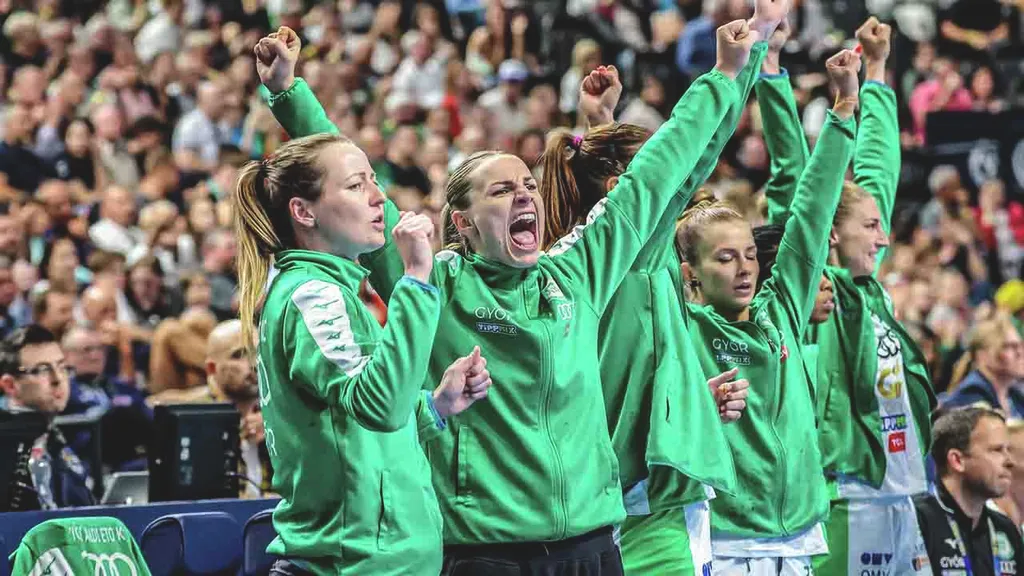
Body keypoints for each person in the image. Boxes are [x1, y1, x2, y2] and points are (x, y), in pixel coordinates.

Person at [260, 17, 758, 575]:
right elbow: (343, 183)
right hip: (482, 554)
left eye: (528, 186)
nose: (525, 196)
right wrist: (288, 91)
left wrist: (724, 75)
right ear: (463, 222)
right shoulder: (434, 282)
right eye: (502, 190)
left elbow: (655, 175)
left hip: (591, 548)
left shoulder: (575, 274)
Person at [537, 2, 787, 569]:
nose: (675, 182)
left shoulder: (571, 257)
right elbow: (691, 147)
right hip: (638, 507)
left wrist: (596, 129)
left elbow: (676, 165)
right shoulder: (636, 258)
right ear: (624, 183)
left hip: (602, 499)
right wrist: (742, 58)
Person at [233, 132, 491, 574]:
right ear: (304, 211)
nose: (378, 196)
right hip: (350, 563)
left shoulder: (331, 292)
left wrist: (435, 406)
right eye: (356, 185)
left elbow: (356, 429)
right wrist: (415, 278)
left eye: (374, 180)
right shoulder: (313, 295)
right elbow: (381, 407)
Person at [756, 17, 939, 575]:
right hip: (841, 497)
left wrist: (879, 72)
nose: (884, 237)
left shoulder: (865, 288)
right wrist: (769, 69)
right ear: (832, 234)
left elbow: (880, 171)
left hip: (901, 490)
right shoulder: (810, 291)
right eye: (870, 227)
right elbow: (793, 179)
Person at [674, 45, 862, 572]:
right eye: (725, 258)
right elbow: (652, 202)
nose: (744, 270)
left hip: (799, 540)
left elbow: (811, 210)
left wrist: (844, 110)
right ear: (690, 273)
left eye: (751, 256)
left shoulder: (780, 313)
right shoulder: (682, 326)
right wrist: (736, 71)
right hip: (726, 542)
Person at [914, 407, 1023, 574]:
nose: (1009, 462)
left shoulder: (1004, 528)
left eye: (1008, 450)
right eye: (996, 450)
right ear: (957, 460)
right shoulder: (916, 521)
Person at [0, 325, 93, 510]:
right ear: (10, 385)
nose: (57, 379)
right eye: (42, 370)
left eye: (62, 367)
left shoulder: (53, 439)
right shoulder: (7, 445)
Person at [945, 313, 1024, 418]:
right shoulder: (971, 397)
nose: (1020, 353)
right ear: (982, 355)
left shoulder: (1014, 396)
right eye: (1009, 346)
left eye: (1021, 345)